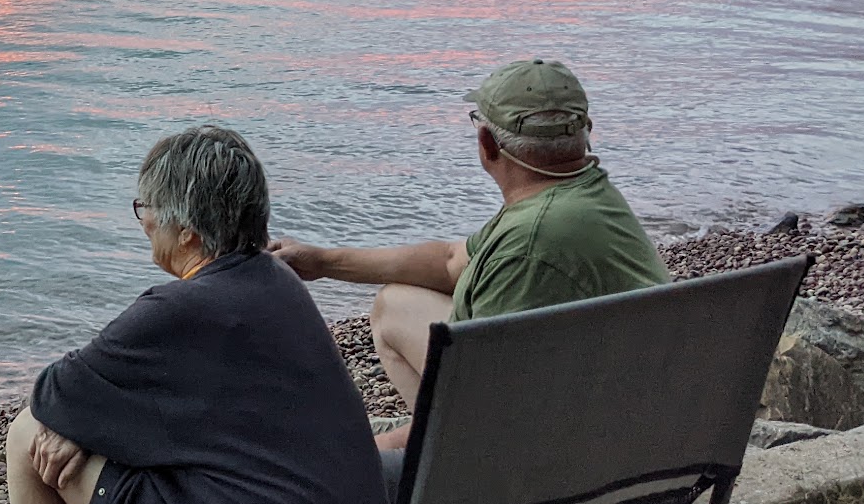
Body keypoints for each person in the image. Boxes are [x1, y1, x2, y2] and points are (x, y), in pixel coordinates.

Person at [5, 126, 389, 504]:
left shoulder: (180, 308)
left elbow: (54, 393)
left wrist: (69, 422)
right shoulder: (279, 283)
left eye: (148, 209)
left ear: (186, 231)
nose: (144, 223)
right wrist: (83, 419)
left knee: (27, 433)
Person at [269, 59, 669, 455]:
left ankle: (430, 452)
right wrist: (323, 262)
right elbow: (449, 262)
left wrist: (362, 454)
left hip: (564, 467)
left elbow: (477, 414)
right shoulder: (585, 198)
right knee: (394, 303)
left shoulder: (527, 248)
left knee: (342, 464)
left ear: (487, 143)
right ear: (584, 134)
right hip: (622, 419)